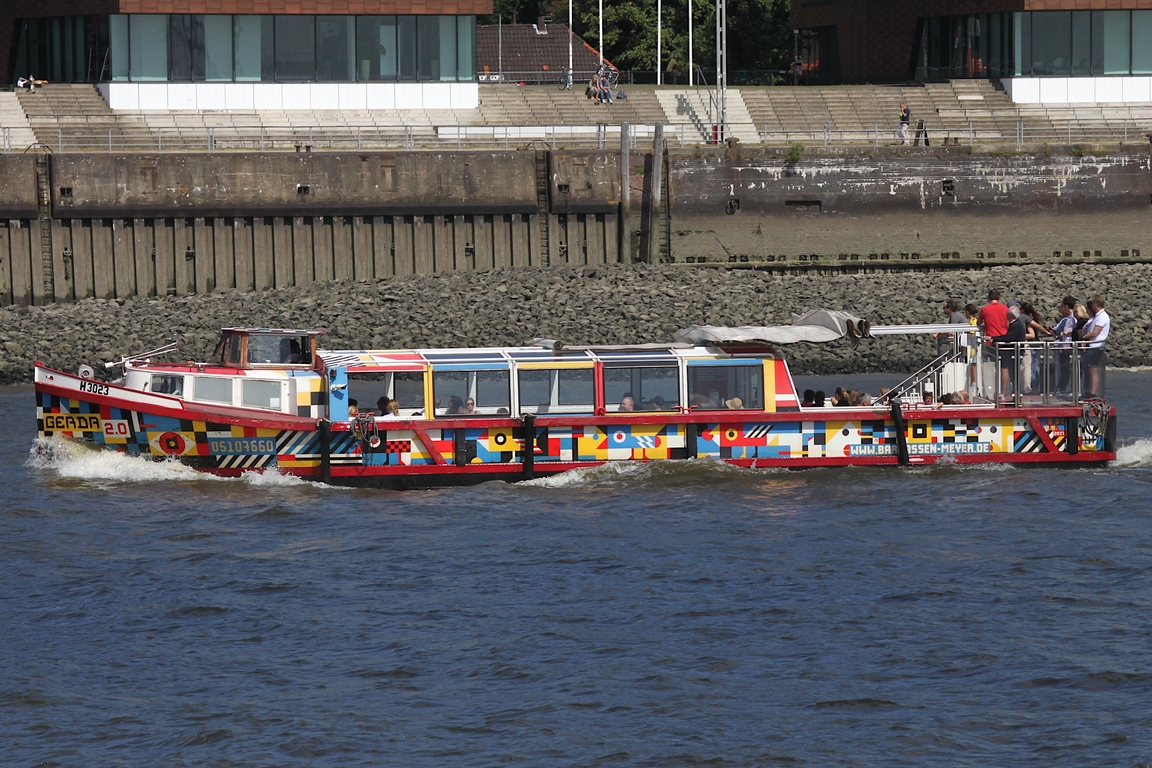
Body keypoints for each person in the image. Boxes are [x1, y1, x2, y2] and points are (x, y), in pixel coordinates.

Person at [1081, 295, 1110, 397]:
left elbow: (1095, 333)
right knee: (1090, 369)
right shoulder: (1097, 316)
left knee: (1093, 369)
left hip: (1096, 346)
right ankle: (1089, 390)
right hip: (1092, 346)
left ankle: (1093, 392)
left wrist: (1083, 337)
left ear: (1096, 304)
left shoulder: (1102, 316)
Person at [1052, 296, 1077, 393]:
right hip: (1064, 345)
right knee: (1064, 368)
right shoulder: (1069, 318)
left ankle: (1061, 388)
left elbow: (1075, 329)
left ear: (1066, 306)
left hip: (1067, 346)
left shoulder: (1072, 318)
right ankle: (1060, 388)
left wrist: (1067, 332)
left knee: (1066, 369)